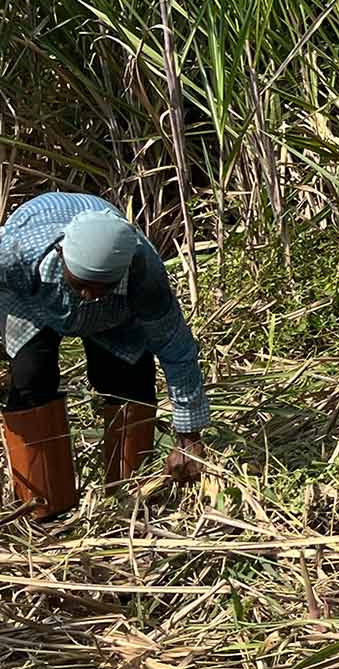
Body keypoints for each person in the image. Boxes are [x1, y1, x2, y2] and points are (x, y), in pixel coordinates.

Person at [1, 192, 210, 518]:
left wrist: (188, 437)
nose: (89, 296)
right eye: (81, 283)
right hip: (33, 301)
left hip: (117, 317)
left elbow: (177, 350)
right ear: (61, 256)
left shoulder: (144, 276)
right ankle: (41, 506)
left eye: (102, 286)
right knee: (31, 378)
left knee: (127, 382)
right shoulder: (15, 256)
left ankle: (125, 500)